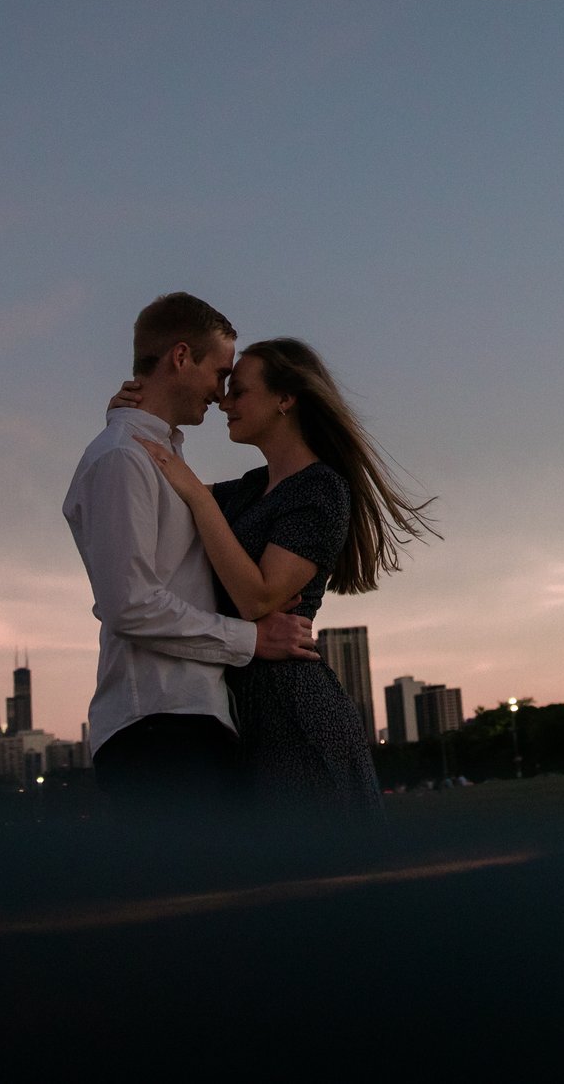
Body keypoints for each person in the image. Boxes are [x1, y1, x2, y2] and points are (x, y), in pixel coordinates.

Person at [127, 336, 432, 817]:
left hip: (296, 717)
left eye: (240, 391)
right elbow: (167, 495)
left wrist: (200, 497)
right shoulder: (251, 489)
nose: (225, 402)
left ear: (286, 399)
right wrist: (126, 419)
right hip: (242, 715)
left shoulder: (321, 490)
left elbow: (258, 598)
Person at [64, 293, 317, 811]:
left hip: (187, 724)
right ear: (181, 357)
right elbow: (130, 603)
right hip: (157, 728)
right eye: (220, 373)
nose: (222, 395)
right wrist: (249, 639)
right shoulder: (122, 460)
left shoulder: (155, 457)